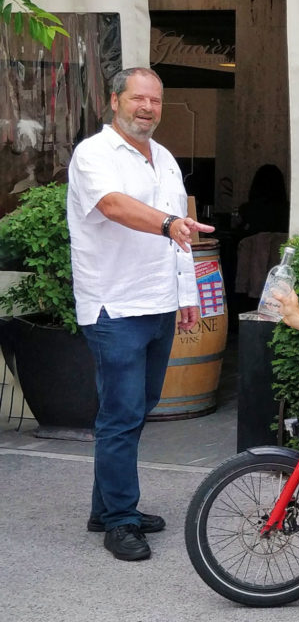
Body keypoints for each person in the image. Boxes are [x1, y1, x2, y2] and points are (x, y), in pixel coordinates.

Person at [67, 67, 214, 561]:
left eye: (155, 100)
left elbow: (182, 234)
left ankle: (104, 507)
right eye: (138, 98)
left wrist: (187, 294)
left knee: (138, 406)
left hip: (159, 302)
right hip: (114, 305)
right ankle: (120, 520)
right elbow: (113, 206)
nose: (148, 108)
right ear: (115, 101)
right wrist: (168, 222)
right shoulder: (94, 153)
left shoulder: (165, 158)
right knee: (122, 412)